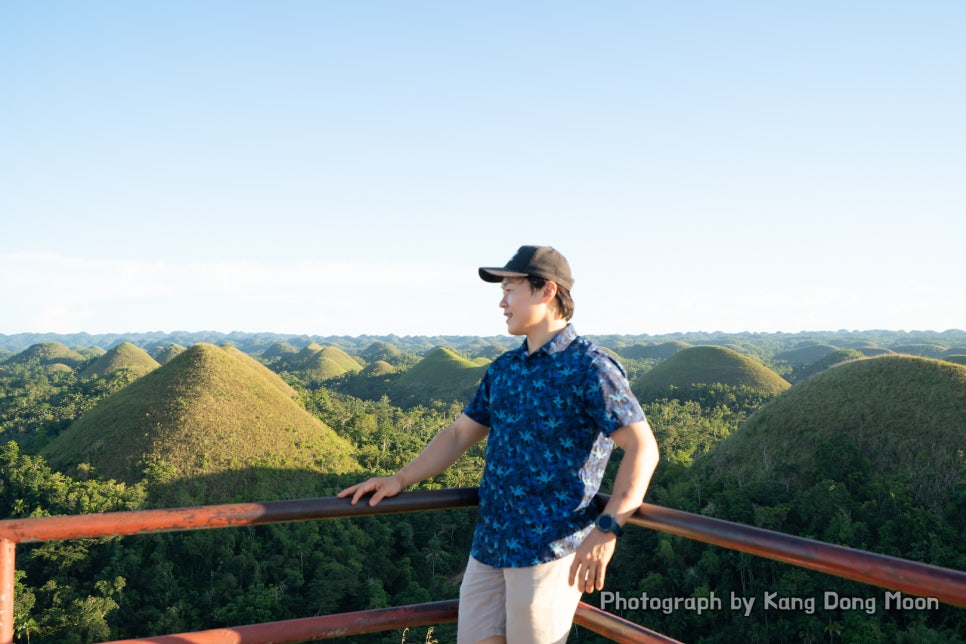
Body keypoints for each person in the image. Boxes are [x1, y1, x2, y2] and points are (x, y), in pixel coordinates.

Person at [339, 245, 660, 644]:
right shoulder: (505, 369)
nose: (502, 302)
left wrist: (607, 529)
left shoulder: (590, 367)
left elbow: (643, 448)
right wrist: (399, 479)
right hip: (490, 545)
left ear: (546, 291)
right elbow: (460, 433)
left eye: (510, 289)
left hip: (548, 550)